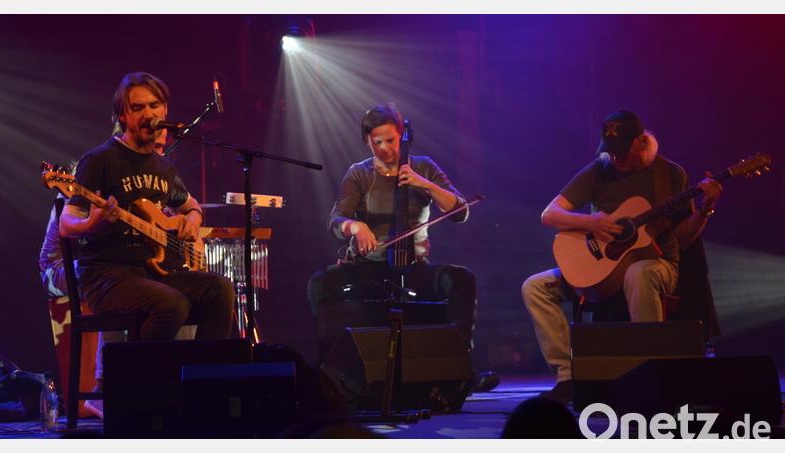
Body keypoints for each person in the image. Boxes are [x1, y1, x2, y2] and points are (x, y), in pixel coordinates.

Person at [521, 110, 723, 403]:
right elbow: (549, 214)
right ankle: (569, 376)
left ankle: (649, 375)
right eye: (609, 152)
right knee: (534, 287)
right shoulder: (600, 169)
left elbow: (684, 238)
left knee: (637, 272)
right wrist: (593, 223)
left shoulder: (669, 175)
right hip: (601, 270)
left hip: (658, 265)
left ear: (641, 143)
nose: (613, 159)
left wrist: (706, 208)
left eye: (620, 152)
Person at [307, 103, 498, 392]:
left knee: (461, 280)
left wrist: (425, 185)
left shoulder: (423, 167)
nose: (384, 148)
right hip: (369, 268)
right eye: (376, 142)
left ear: (402, 136)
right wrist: (355, 227)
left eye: (390, 140)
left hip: (414, 268)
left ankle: (461, 368)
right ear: (367, 141)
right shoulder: (359, 174)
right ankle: (330, 376)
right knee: (319, 285)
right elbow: (336, 219)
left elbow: (460, 212)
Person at [58, 72, 234, 346]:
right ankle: (141, 381)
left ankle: (204, 379)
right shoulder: (99, 160)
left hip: (153, 273)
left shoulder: (163, 166)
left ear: (164, 110)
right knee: (171, 305)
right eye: (137, 108)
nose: (147, 113)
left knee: (220, 289)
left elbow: (190, 204)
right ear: (123, 117)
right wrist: (94, 223)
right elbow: (66, 224)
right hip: (108, 277)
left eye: (154, 106)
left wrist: (193, 216)